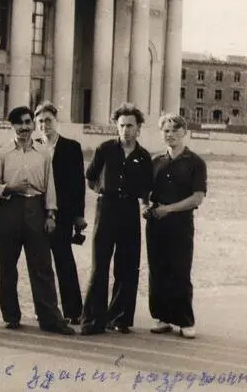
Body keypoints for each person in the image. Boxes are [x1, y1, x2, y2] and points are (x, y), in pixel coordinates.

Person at [0, 106, 75, 336]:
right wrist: (9, 187)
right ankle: (11, 316)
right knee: (8, 266)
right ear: (12, 126)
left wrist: (50, 215)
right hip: (9, 209)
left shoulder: (43, 153)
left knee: (42, 266)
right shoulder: (2, 153)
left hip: (36, 209)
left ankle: (50, 319)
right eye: (19, 123)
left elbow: (51, 187)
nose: (25, 127)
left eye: (28, 122)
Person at [80, 103, 153, 336]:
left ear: (139, 128)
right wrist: (104, 191)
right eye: (121, 125)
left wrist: (142, 204)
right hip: (107, 209)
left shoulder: (143, 157)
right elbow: (90, 178)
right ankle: (93, 320)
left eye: (130, 125)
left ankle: (120, 318)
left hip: (129, 211)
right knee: (100, 265)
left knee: (128, 266)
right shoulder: (104, 149)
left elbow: (146, 189)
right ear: (116, 127)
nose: (126, 130)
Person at [145, 113, 207, 339]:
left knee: (180, 270)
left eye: (174, 130)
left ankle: (184, 320)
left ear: (184, 132)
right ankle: (161, 317)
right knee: (157, 270)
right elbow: (146, 192)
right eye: (166, 131)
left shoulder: (195, 162)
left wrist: (168, 209)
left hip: (180, 224)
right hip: (156, 224)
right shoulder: (156, 161)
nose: (170, 135)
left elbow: (197, 197)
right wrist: (146, 206)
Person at [34, 101, 86, 325]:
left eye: (48, 120)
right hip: (37, 212)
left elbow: (78, 185)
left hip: (63, 214)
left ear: (56, 121)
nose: (44, 124)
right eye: (40, 121)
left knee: (64, 260)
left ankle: (73, 311)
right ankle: (46, 310)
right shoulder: (33, 146)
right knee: (40, 264)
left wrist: (78, 216)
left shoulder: (71, 147)